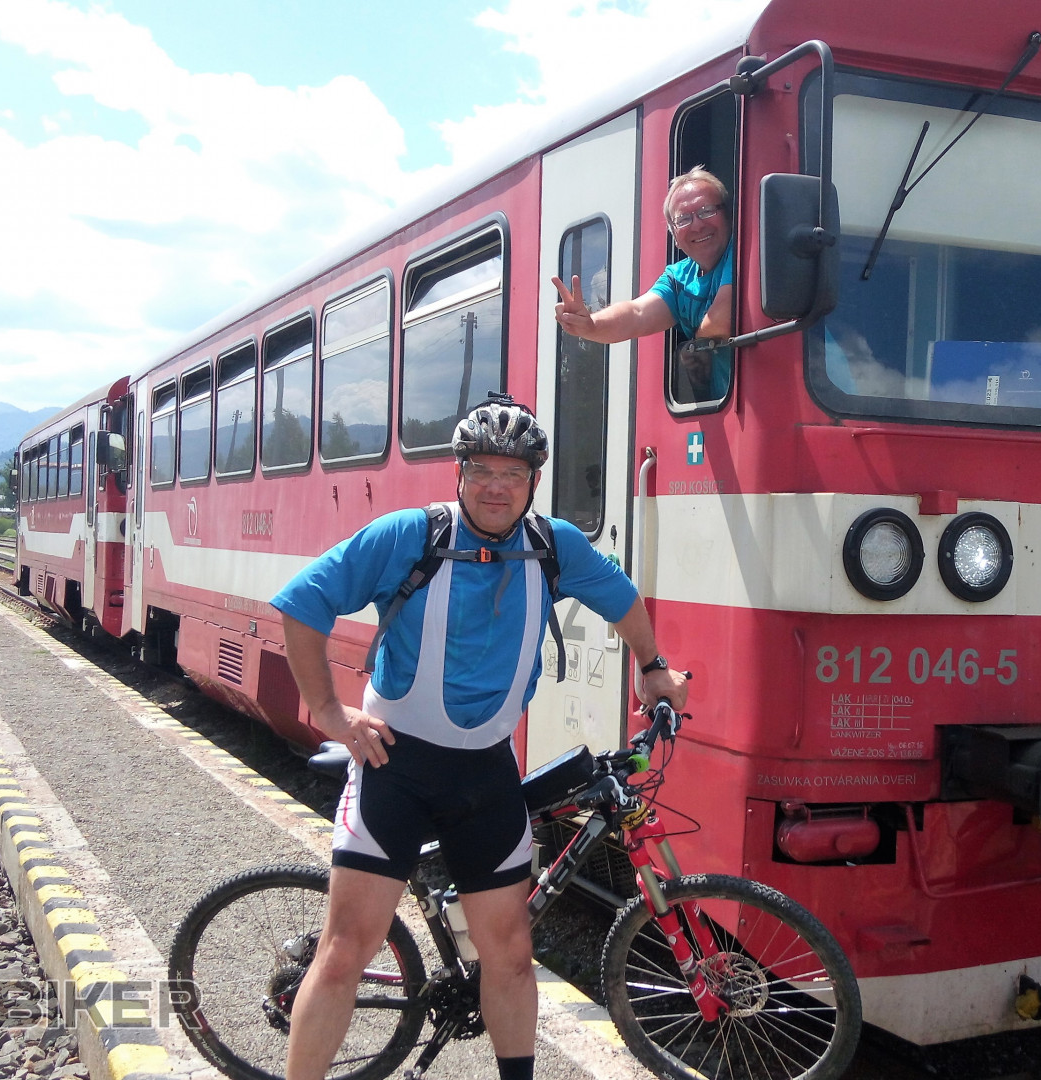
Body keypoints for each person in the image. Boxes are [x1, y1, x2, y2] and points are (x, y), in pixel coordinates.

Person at [270, 394, 690, 1080]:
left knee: (511, 957)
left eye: (513, 473)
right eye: (483, 470)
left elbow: (622, 600)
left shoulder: (554, 546)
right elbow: (302, 602)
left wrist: (652, 667)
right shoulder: (408, 536)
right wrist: (329, 712)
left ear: (534, 481)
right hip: (394, 767)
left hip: (485, 775)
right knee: (345, 953)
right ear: (459, 474)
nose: (497, 486)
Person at [553, 166, 734, 402]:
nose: (697, 225)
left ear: (728, 215)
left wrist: (698, 341)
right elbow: (636, 313)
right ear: (675, 236)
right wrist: (591, 325)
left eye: (707, 211)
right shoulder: (678, 277)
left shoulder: (741, 250)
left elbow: (723, 319)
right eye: (683, 219)